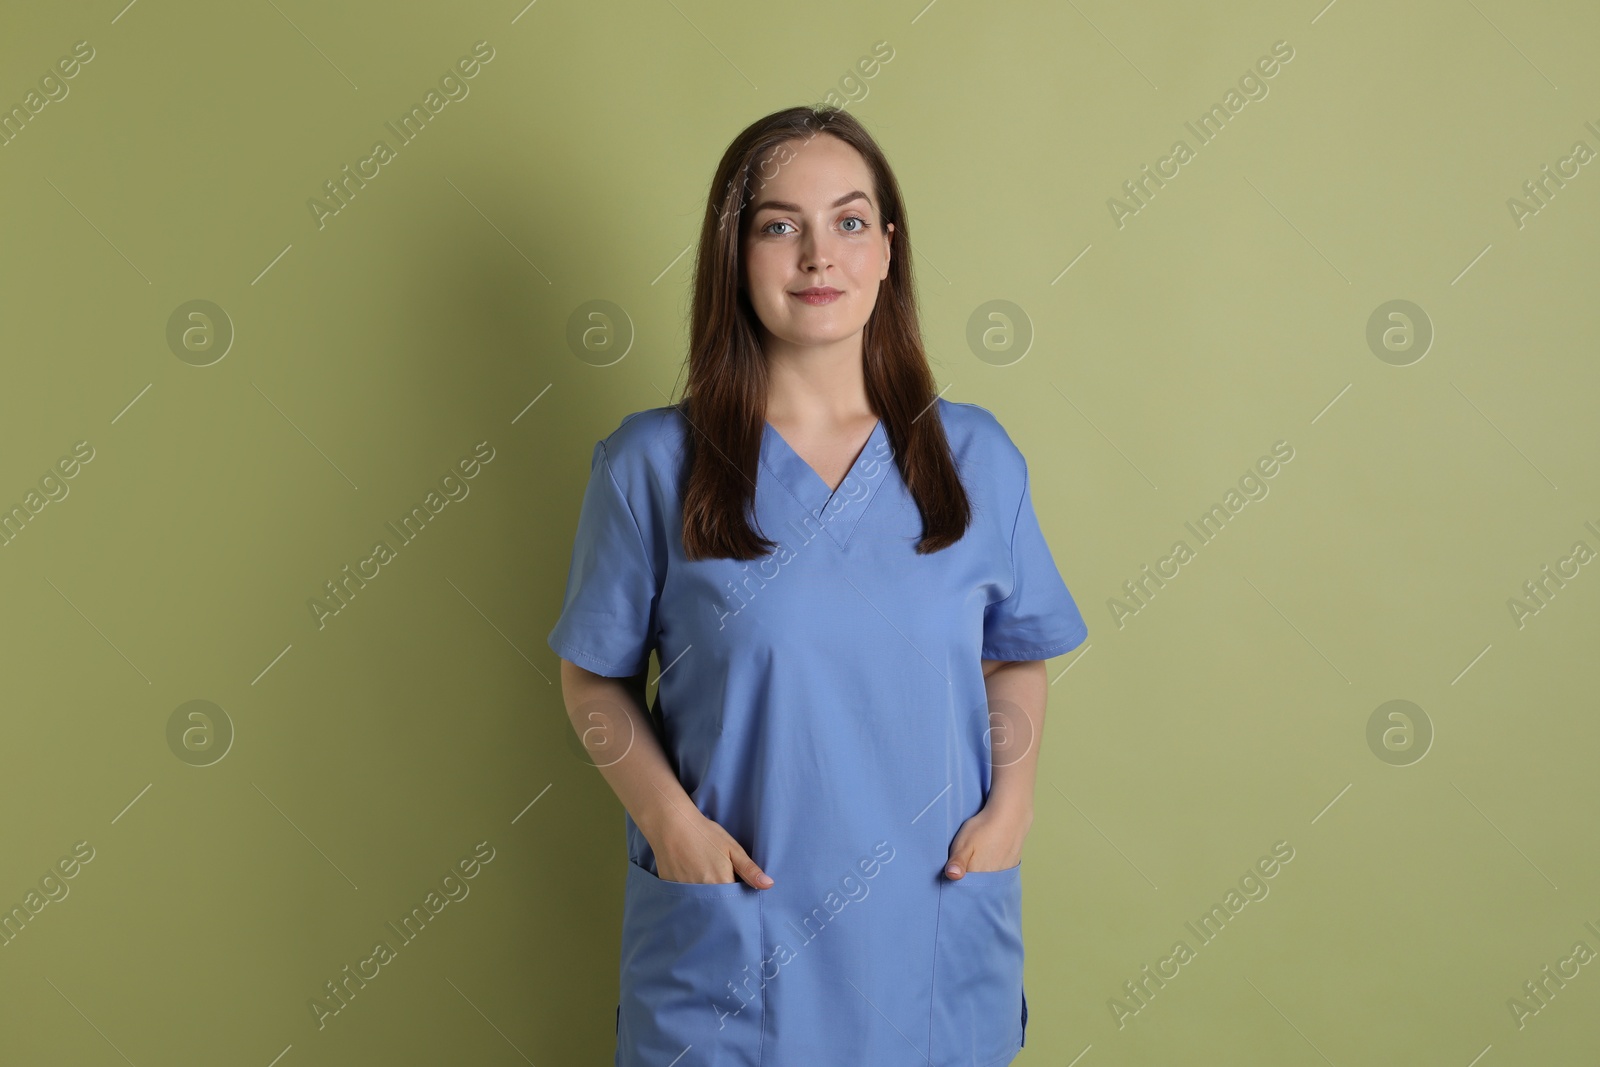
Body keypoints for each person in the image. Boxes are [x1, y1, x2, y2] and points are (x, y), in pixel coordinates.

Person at [547, 105, 1089, 1067]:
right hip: (736, 944)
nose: (816, 257)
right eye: (778, 225)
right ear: (734, 254)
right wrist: (671, 825)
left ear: (888, 249)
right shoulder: (650, 466)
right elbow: (592, 679)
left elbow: (1015, 656)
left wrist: (1012, 810)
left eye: (847, 221)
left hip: (929, 933)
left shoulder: (975, 459)